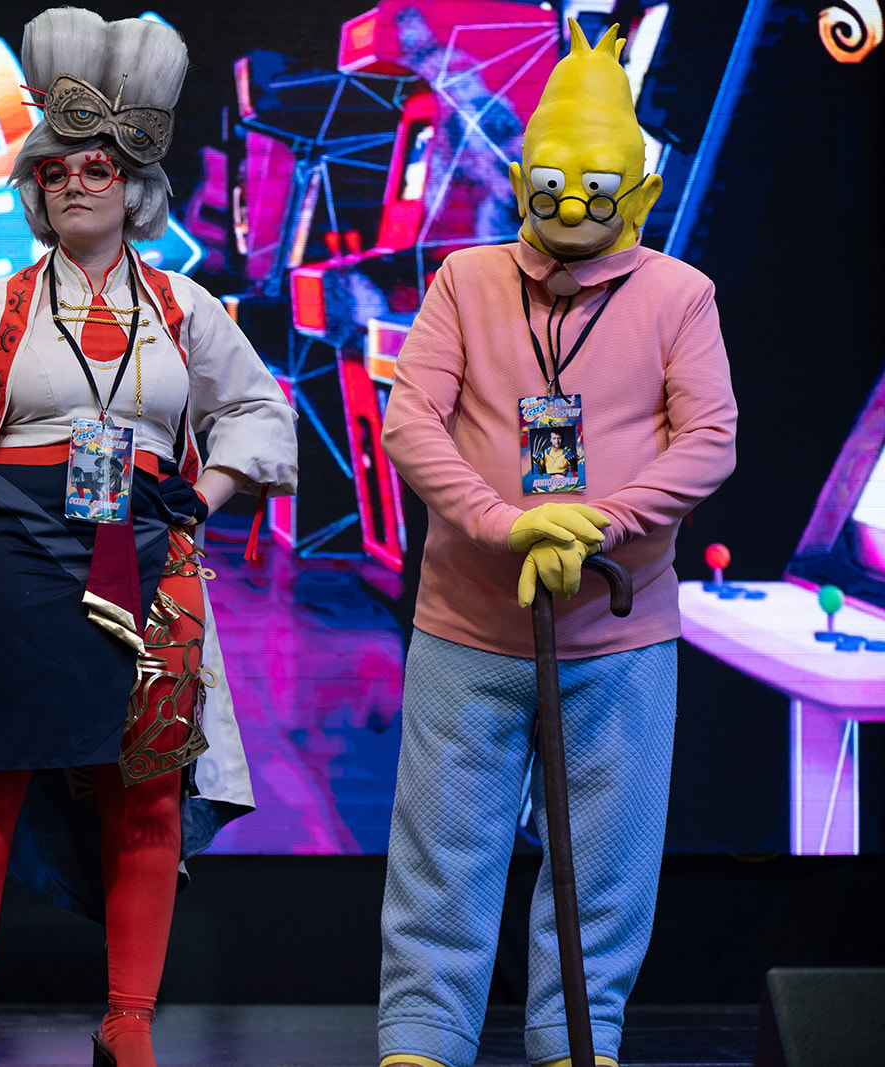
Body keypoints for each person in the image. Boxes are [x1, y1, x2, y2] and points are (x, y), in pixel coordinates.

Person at [0, 9, 296, 1067]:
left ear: (134, 183)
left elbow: (260, 414)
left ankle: (128, 1019)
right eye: (56, 166)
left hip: (148, 558)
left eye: (98, 166)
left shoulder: (183, 305)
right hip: (11, 563)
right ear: (35, 184)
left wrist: (201, 497)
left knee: (146, 783)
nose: (76, 181)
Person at [376, 22, 736, 1067]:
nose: (572, 208)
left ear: (640, 194)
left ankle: (577, 1036)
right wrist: (507, 522)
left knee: (604, 860)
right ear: (520, 180)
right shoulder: (466, 279)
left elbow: (708, 439)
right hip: (467, 622)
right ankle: (423, 1036)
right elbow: (412, 420)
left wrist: (598, 523)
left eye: (596, 189)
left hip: (618, 631)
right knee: (443, 845)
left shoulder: (679, 294)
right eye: (550, 186)